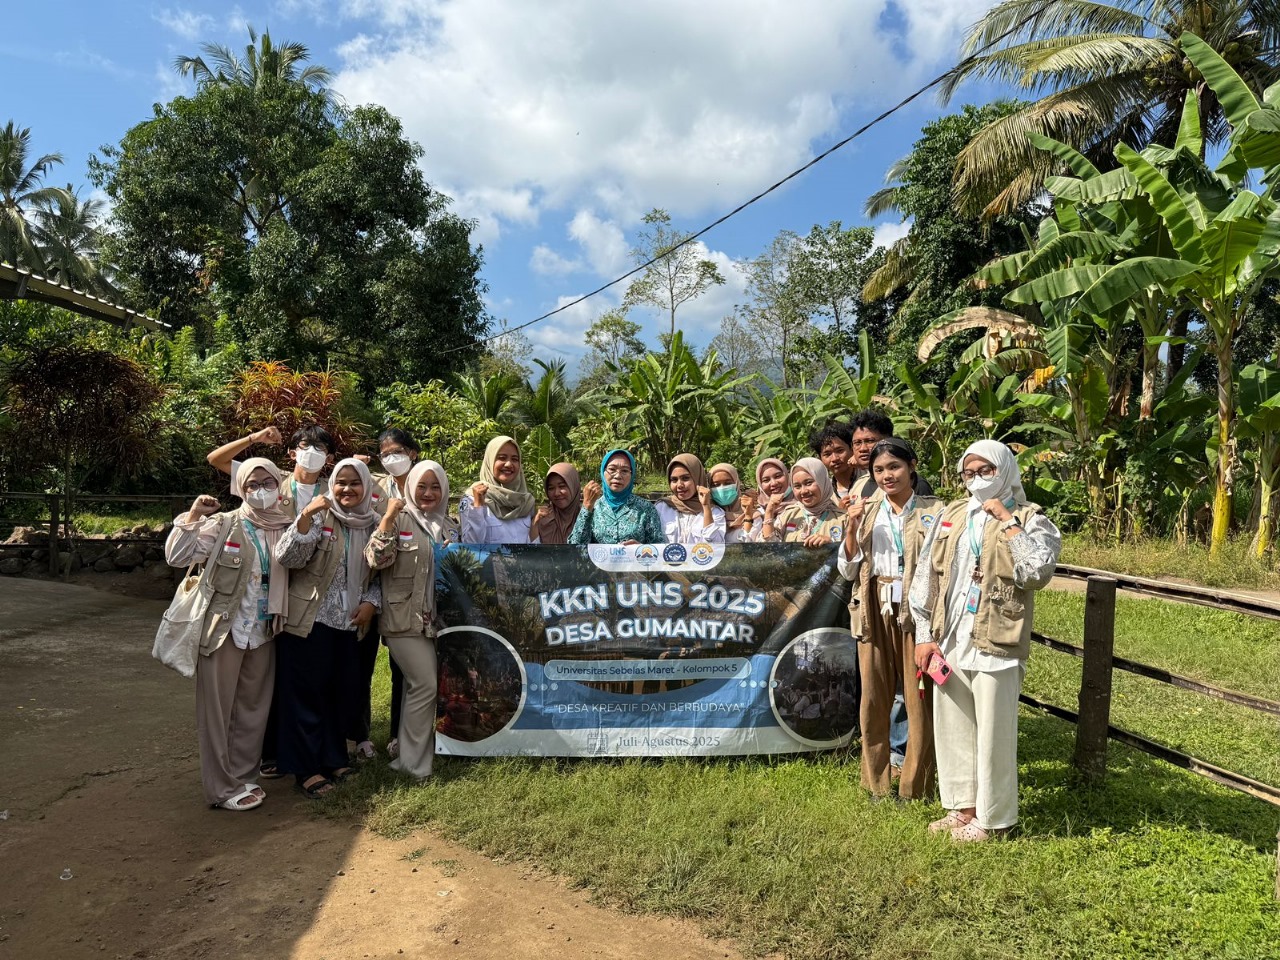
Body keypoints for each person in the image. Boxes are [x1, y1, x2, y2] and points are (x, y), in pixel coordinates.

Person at [908, 440, 1061, 842]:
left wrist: (1008, 522)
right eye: (969, 473)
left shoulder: (1031, 517)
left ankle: (995, 820)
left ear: (1005, 470)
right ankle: (962, 808)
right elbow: (926, 576)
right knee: (953, 723)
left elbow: (1038, 573)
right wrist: (924, 635)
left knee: (994, 730)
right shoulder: (952, 513)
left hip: (997, 634)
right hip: (952, 634)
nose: (976, 480)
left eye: (985, 471)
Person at [163, 457, 293, 810]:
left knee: (253, 707)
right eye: (252, 484)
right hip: (224, 630)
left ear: (279, 485)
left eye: (268, 483)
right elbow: (177, 557)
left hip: (264, 629)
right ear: (240, 488)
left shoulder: (284, 525)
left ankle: (243, 776)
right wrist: (193, 516)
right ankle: (221, 788)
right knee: (217, 712)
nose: (261, 491)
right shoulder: (224, 524)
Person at [838, 439, 941, 801]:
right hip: (873, 604)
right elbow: (848, 566)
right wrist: (850, 529)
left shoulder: (934, 510)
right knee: (874, 695)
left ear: (911, 466)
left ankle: (916, 785)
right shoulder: (865, 510)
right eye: (879, 470)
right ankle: (875, 781)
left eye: (894, 467)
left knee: (918, 698)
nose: (886, 476)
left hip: (917, 610)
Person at [274, 458, 382, 799]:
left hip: (351, 625)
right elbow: (288, 559)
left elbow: (381, 574)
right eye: (341, 483)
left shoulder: (374, 524)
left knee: (340, 693)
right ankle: (306, 769)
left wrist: (372, 602)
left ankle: (334, 759)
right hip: (311, 621)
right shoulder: (320, 515)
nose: (347, 489)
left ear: (366, 487)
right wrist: (304, 518)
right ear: (330, 485)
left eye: (355, 483)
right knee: (307, 696)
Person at [364, 463, 441, 781]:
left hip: (433, 621)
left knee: (415, 687)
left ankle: (407, 759)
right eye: (421, 485)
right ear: (410, 487)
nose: (427, 493)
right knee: (426, 684)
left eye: (435, 487)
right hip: (401, 620)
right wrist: (387, 519)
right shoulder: (399, 518)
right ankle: (415, 763)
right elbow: (375, 560)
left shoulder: (446, 526)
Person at [362, 427, 422, 763]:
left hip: (415, 594)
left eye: (397, 451)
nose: (391, 458)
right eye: (384, 454)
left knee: (408, 669)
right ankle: (365, 735)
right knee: (371, 664)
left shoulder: (428, 482)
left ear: (413, 452)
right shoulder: (375, 488)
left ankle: (405, 733)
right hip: (376, 585)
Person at [207, 424, 336, 516]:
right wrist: (253, 438)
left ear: (328, 458)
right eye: (306, 445)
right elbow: (216, 459)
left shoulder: (333, 490)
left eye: (319, 446)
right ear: (293, 454)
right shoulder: (268, 478)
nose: (311, 451)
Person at [570, 450, 664, 545]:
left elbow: (658, 549)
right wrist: (587, 505)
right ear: (603, 472)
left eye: (624, 471)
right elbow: (575, 547)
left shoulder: (645, 508)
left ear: (632, 475)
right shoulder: (594, 507)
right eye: (612, 469)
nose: (618, 476)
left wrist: (640, 549)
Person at [460, 435, 538, 544]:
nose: (509, 464)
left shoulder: (526, 502)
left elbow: (533, 549)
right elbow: (471, 546)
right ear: (490, 461)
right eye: (502, 458)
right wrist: (478, 507)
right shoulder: (472, 498)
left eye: (515, 459)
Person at [849, 410, 935, 500]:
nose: (863, 448)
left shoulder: (914, 483)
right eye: (857, 443)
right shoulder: (859, 484)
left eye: (870, 441)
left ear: (888, 440)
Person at [761, 458, 844, 544]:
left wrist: (832, 544)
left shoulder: (842, 519)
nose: (803, 491)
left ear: (822, 481)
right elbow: (770, 548)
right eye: (797, 486)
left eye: (808, 483)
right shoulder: (789, 515)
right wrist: (769, 512)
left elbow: (853, 553)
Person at [654, 454, 726, 544]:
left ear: (697, 478)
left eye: (685, 478)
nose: (679, 485)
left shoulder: (715, 512)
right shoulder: (661, 508)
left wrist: (706, 507)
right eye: (674, 480)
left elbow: (717, 545)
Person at [532, 463, 582, 545]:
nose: (556, 493)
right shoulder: (543, 520)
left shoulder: (588, 517)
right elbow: (534, 554)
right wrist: (535, 525)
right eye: (551, 488)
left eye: (562, 486)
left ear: (574, 485)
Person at [810, 420, 857, 505]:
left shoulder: (870, 479)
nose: (835, 458)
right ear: (820, 458)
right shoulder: (823, 494)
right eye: (827, 454)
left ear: (851, 449)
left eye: (840, 451)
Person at [708, 463, 756, 544]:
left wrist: (748, 516)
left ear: (737, 483)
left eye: (727, 483)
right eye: (716, 485)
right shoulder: (708, 514)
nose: (722, 488)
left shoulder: (753, 513)